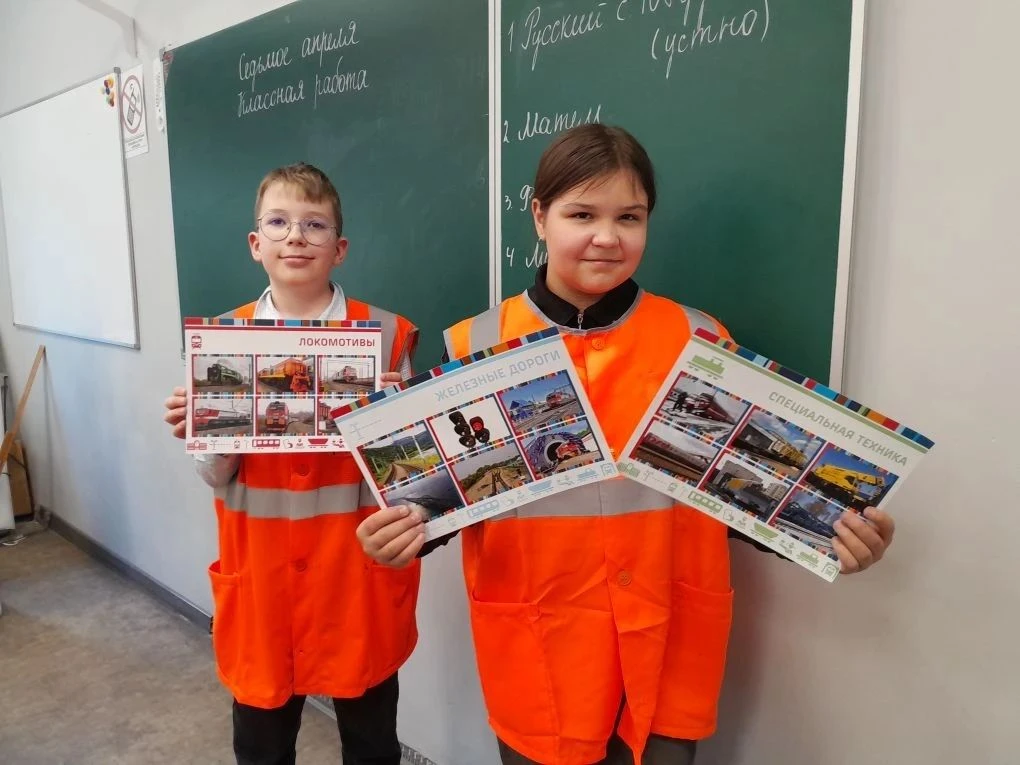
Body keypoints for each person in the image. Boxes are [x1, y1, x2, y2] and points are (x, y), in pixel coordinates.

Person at [355, 126, 896, 765]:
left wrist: (831, 533)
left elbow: (743, 490)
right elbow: (437, 496)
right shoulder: (473, 345)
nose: (607, 237)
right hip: (542, 636)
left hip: (669, 629)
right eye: (582, 214)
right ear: (540, 216)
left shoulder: (699, 338)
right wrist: (403, 535)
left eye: (629, 217)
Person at [163, 162, 420, 765]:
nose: (296, 237)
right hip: (263, 584)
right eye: (278, 223)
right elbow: (213, 474)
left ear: (340, 247)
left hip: (356, 582)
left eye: (315, 224)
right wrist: (209, 426)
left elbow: (406, 473)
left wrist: (395, 421)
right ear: (256, 244)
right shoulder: (222, 339)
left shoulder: (388, 335)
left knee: (372, 743)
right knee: (262, 746)